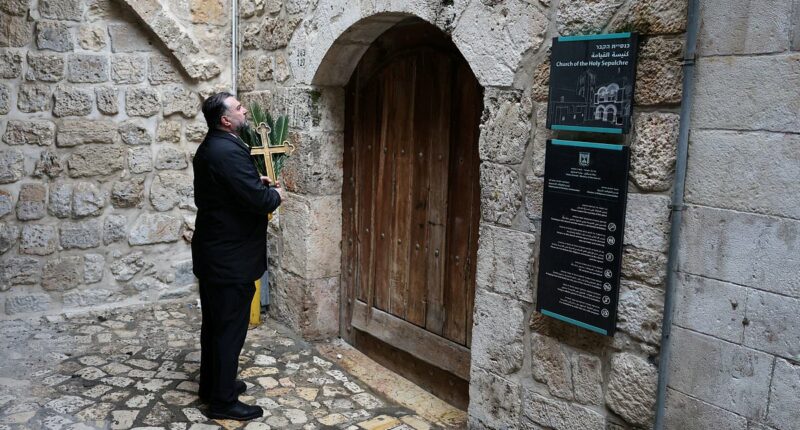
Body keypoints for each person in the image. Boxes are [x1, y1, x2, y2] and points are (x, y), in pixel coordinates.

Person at [192, 92, 283, 421]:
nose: (245, 110)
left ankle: (213, 385)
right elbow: (259, 202)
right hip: (229, 259)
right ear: (225, 120)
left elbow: (226, 188)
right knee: (229, 330)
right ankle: (223, 402)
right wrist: (274, 194)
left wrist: (253, 181)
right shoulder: (227, 151)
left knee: (215, 326)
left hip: (214, 254)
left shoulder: (213, 146)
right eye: (239, 108)